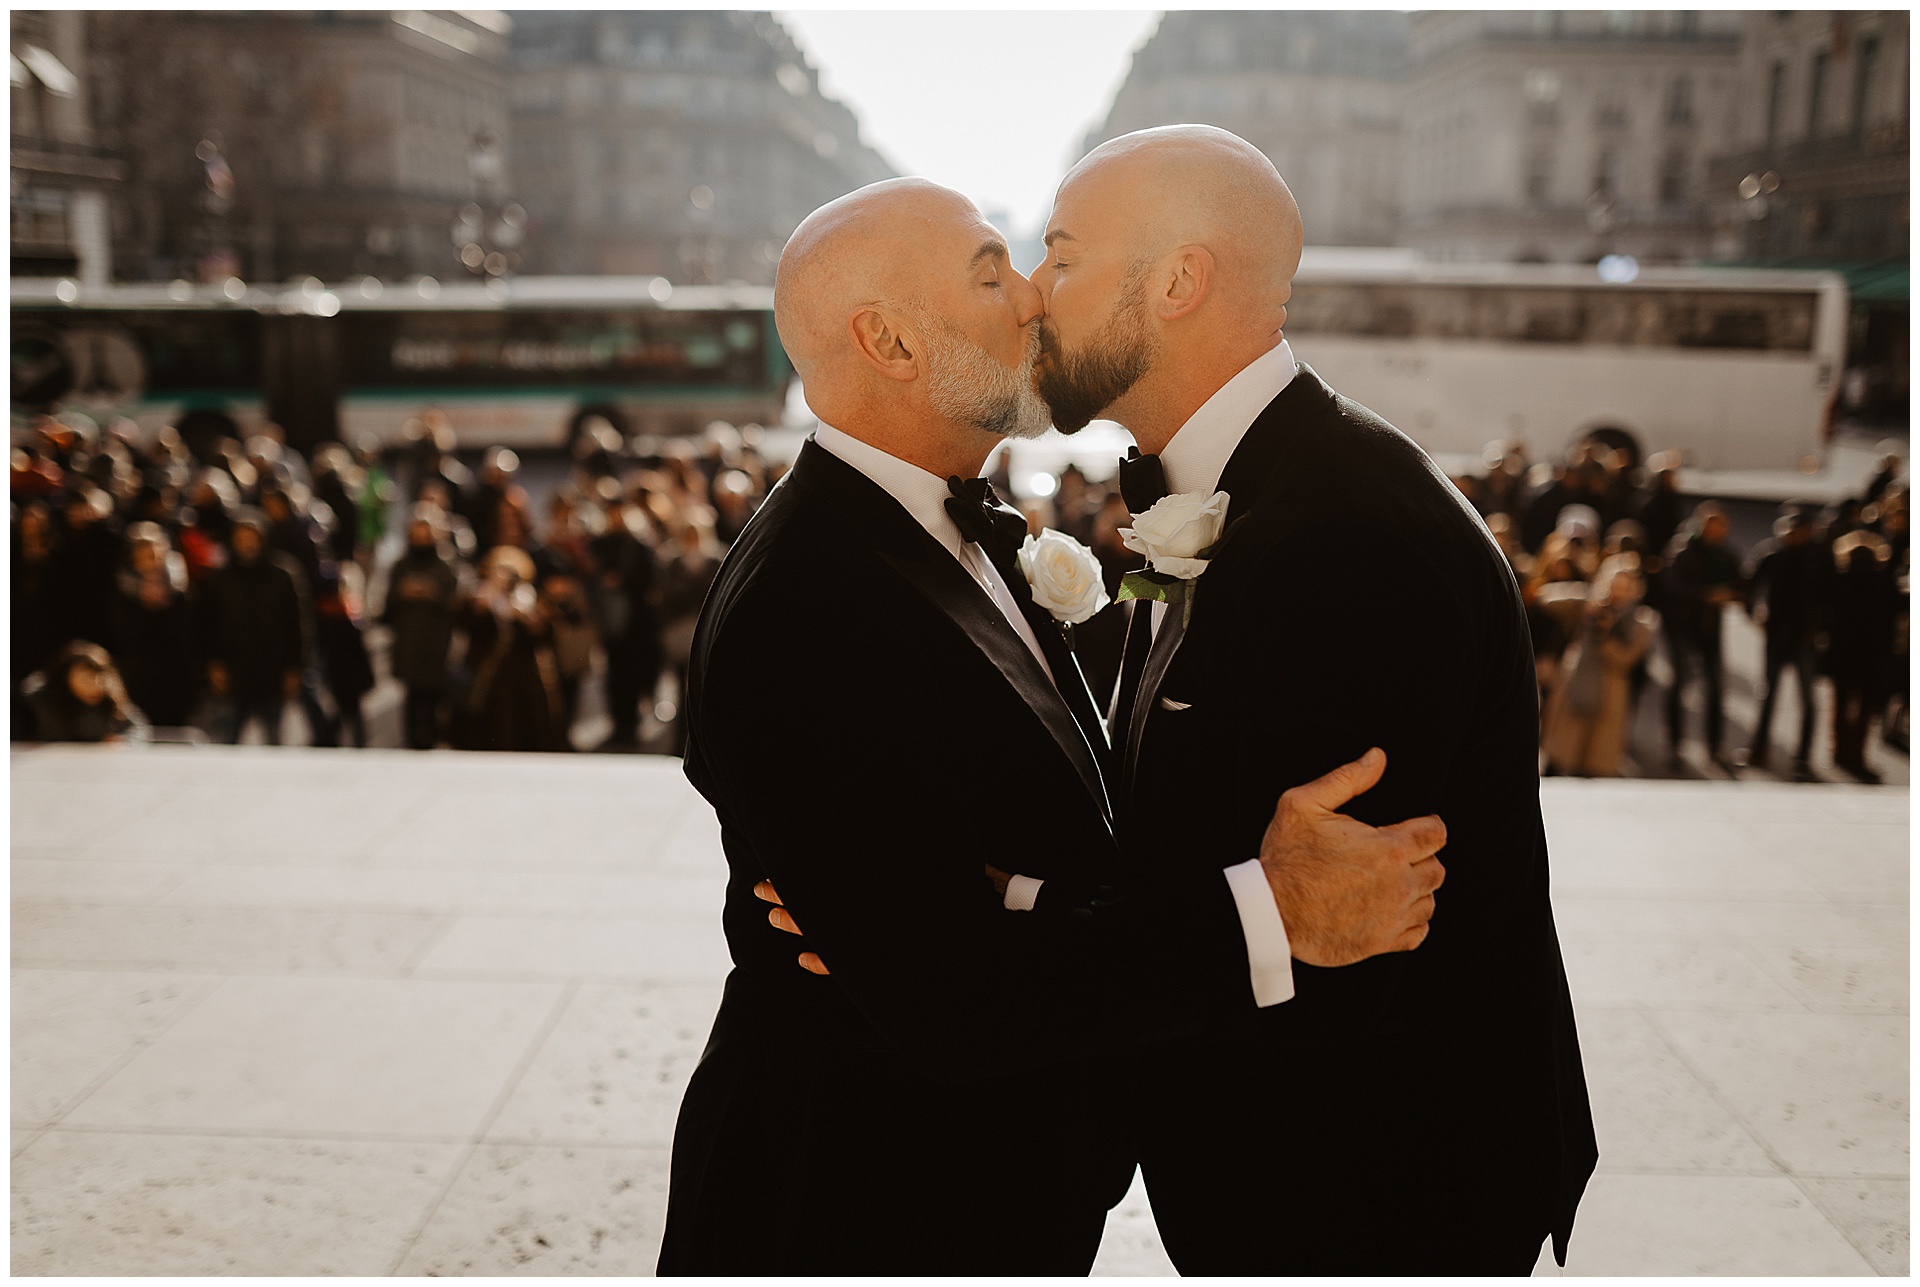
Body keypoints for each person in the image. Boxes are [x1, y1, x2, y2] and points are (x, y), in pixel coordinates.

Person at [658, 177, 1448, 1275]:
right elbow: (953, 999)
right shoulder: (806, 604)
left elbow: (1024, 832)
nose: (1032, 296)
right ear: (888, 339)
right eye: (991, 272)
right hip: (860, 1210)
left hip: (978, 1199)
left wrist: (1010, 894)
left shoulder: (951, 520)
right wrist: (1276, 913)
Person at [1019, 124, 1595, 1272]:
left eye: (1064, 257)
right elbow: (1202, 828)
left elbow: (1346, 930)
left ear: (1179, 281)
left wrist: (1004, 922)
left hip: (1369, 1189)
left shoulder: (1350, 538)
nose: (1034, 294)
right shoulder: (1264, 484)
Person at [1537, 554, 1659, 777]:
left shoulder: (1642, 620)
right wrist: (1588, 597)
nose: (1618, 592)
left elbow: (1627, 658)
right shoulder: (1591, 604)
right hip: (1575, 682)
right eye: (1614, 586)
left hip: (1610, 693)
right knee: (1563, 749)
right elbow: (1545, 598)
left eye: (1624, 587)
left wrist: (1606, 635)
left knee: (1594, 762)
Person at [202, 509, 314, 746]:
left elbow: (298, 624)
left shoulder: (283, 574)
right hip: (234, 670)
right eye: (242, 538)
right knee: (227, 740)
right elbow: (207, 624)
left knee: (274, 739)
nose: (247, 544)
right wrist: (214, 663)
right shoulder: (220, 579)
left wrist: (295, 667)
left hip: (272, 669)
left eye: (252, 538)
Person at [1743, 505, 1826, 779]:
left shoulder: (1817, 557)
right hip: (1777, 634)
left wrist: (1820, 627)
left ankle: (1802, 756)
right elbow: (1749, 584)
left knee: (1807, 700)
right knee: (1768, 693)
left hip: (1805, 636)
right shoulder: (1772, 554)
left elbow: (1832, 596)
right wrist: (1754, 612)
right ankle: (1758, 748)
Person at [1661, 503, 1745, 770]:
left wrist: (1732, 595)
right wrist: (1705, 595)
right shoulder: (1683, 550)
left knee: (1717, 686)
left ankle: (1715, 747)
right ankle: (1675, 745)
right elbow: (1673, 585)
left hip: (1710, 627)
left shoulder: (1724, 554)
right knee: (1681, 683)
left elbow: (1741, 582)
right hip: (1683, 626)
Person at [381, 506, 465, 750]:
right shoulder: (401, 565)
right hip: (408, 641)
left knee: (433, 697)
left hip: (435, 643)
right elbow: (387, 607)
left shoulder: (445, 566)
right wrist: (403, 593)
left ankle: (434, 742)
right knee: (411, 697)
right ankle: (412, 745)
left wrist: (431, 593)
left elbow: (455, 605)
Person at [22, 641, 149, 743]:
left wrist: (124, 741)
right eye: (85, 681)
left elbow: (138, 728)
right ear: (66, 679)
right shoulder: (43, 701)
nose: (94, 688)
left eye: (100, 682)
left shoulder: (112, 700)